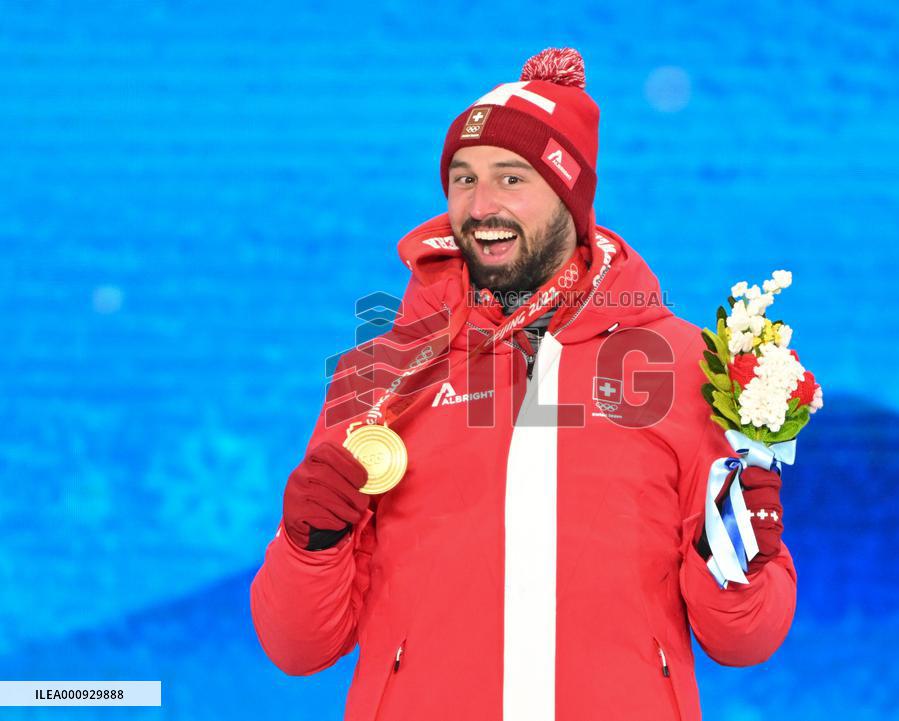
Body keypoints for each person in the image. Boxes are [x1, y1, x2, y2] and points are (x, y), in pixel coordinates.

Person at [250, 48, 796, 721]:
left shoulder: (681, 366)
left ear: (572, 195)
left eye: (512, 179)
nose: (481, 206)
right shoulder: (378, 376)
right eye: (462, 178)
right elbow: (297, 645)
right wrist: (310, 545)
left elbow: (744, 639)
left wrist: (741, 561)